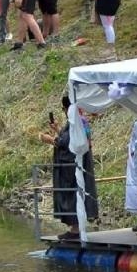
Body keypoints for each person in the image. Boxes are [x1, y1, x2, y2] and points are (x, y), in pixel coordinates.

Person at [42, 96, 98, 240]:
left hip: (73, 166)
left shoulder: (77, 122)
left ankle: (75, 229)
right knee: (76, 193)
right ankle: (76, 227)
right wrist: (58, 130)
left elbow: (68, 142)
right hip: (79, 163)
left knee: (73, 194)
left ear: (67, 109)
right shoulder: (80, 120)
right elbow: (71, 138)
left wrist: (51, 139)